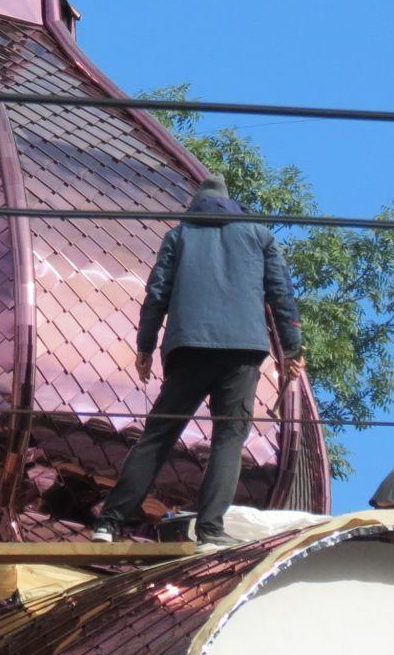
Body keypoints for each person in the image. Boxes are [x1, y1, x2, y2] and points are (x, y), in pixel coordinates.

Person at [91, 172, 305, 548]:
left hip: (188, 347)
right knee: (228, 439)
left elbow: (157, 292)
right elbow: (281, 294)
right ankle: (210, 530)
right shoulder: (259, 236)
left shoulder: (179, 236)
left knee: (158, 436)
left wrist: (145, 345)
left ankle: (108, 524)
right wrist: (292, 349)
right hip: (243, 351)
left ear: (194, 206)